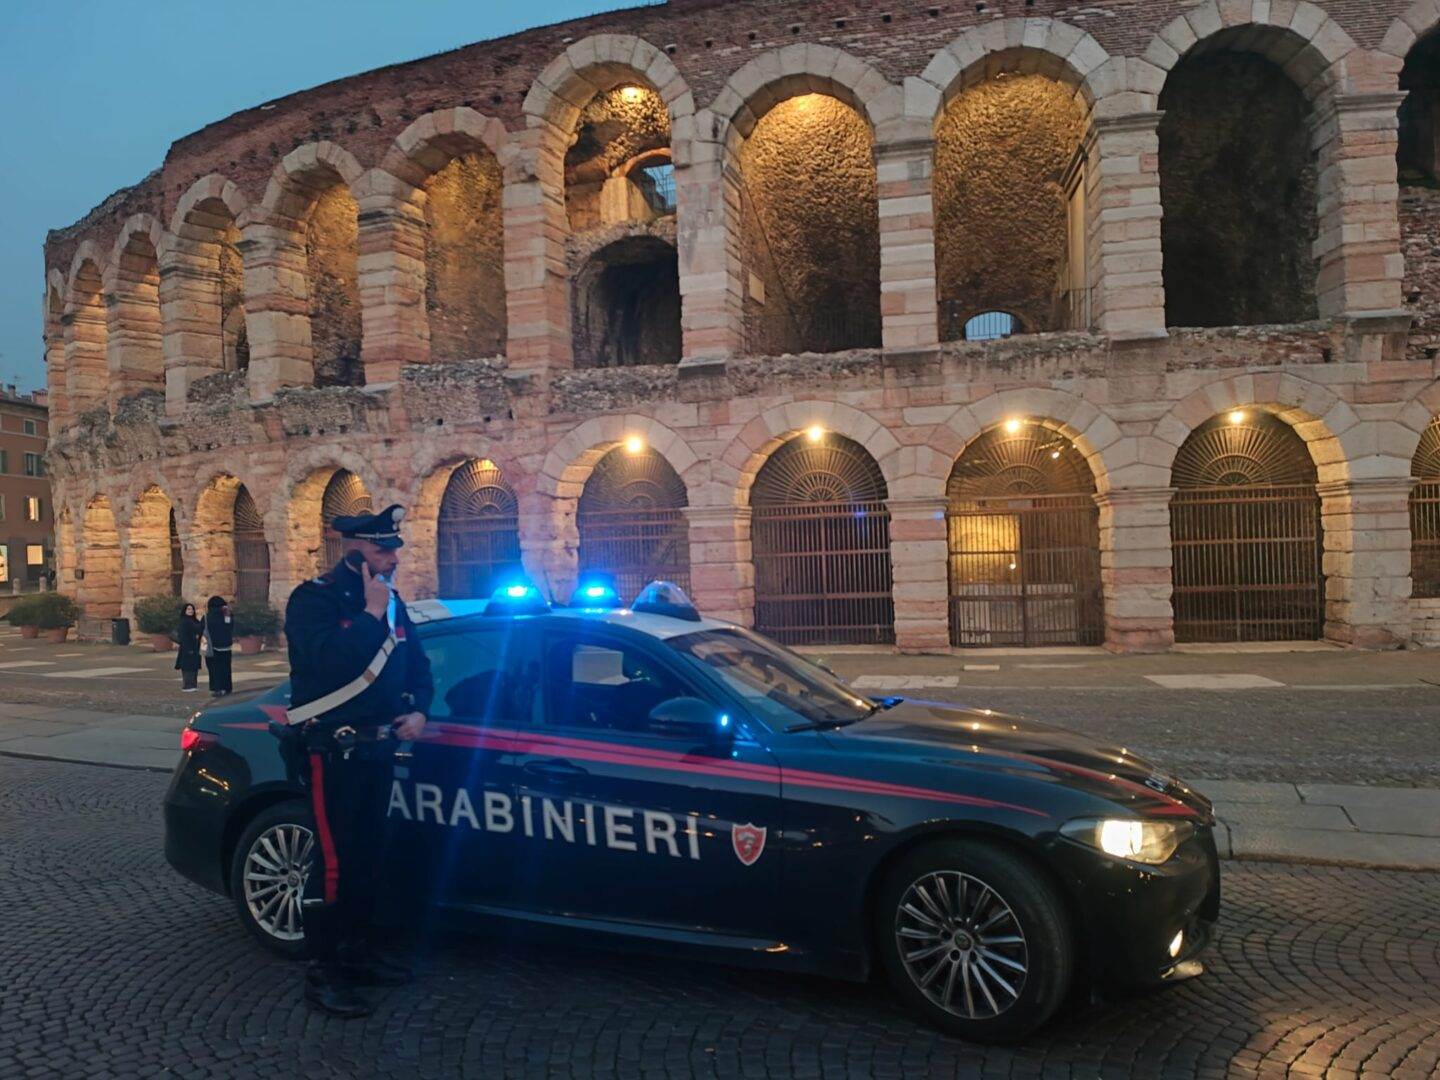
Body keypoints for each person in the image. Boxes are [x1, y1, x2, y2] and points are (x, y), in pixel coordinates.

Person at [283, 504, 432, 1019]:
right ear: (355, 552)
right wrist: (369, 615)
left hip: (378, 747)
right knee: (332, 863)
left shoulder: (393, 605)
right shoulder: (313, 600)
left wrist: (420, 710)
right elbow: (327, 665)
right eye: (382, 549)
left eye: (393, 548)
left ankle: (357, 953)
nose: (392, 558)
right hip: (333, 749)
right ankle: (322, 971)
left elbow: (418, 664)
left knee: (370, 856)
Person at [202, 596, 234, 696]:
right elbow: (230, 627)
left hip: (212, 647)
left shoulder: (207, 617)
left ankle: (217, 689)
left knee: (214, 669)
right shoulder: (226, 616)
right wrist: (228, 614)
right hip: (226, 647)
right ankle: (227, 687)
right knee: (226, 668)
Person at [175, 603, 203, 692]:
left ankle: (193, 685)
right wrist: (188, 648)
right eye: (188, 609)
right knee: (187, 667)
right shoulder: (184, 621)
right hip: (187, 647)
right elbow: (183, 636)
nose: (191, 611)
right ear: (185, 610)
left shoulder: (195, 620)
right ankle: (187, 686)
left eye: (192, 609)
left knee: (194, 667)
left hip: (195, 647)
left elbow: (200, 629)